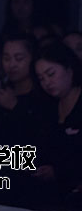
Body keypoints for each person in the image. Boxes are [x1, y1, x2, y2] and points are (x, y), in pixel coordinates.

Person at [33, 43, 82, 203]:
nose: (47, 82)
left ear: (69, 69)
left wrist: (60, 172)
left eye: (51, 74)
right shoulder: (48, 107)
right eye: (41, 78)